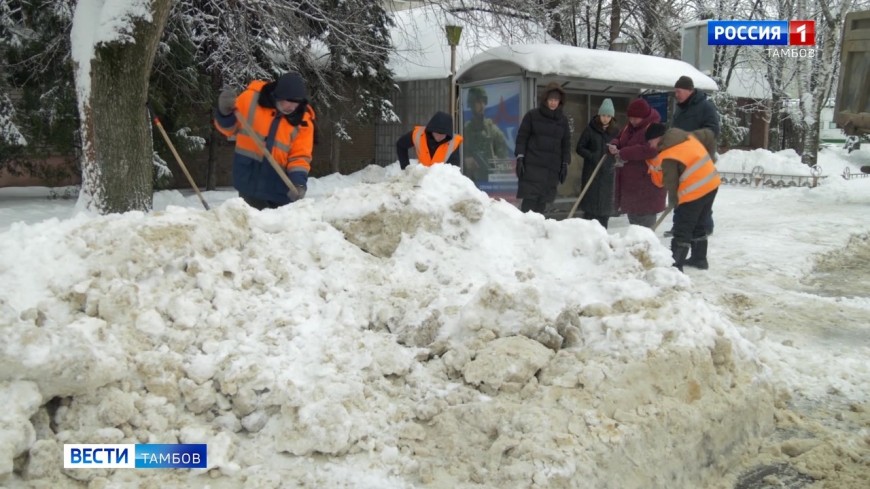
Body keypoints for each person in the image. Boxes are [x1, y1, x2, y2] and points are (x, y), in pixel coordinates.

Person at [214, 72, 316, 210]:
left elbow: (300, 157)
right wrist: (224, 113)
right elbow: (229, 129)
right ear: (278, 95)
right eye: (289, 101)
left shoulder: (303, 122)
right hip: (248, 182)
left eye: (296, 103)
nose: (292, 107)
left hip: (280, 190)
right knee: (251, 227)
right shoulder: (251, 100)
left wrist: (298, 183)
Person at [645, 122, 720, 271]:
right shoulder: (685, 136)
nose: (650, 145)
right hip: (711, 183)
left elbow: (670, 182)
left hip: (694, 190)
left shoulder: (668, 154)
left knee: (682, 228)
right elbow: (709, 134)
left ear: (658, 138)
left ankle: (675, 266)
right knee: (699, 223)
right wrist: (710, 160)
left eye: (650, 141)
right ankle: (699, 259)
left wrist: (674, 201)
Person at [665, 75, 721, 237]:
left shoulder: (705, 107)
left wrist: (690, 139)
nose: (676, 94)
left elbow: (713, 131)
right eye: (675, 91)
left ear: (690, 90)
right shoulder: (680, 109)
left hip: (698, 159)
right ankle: (678, 225)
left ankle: (705, 226)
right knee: (680, 191)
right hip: (681, 158)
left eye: (679, 91)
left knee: (700, 193)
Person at [514, 82, 571, 214]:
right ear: (545, 100)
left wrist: (564, 163)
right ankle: (524, 233)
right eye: (551, 99)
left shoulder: (563, 120)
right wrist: (520, 157)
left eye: (556, 100)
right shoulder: (532, 116)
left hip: (551, 170)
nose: (553, 103)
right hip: (532, 167)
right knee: (529, 207)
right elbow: (522, 137)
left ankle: (537, 234)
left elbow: (566, 143)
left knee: (541, 207)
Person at [608, 98, 665, 228]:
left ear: (644, 116)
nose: (632, 121)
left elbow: (650, 149)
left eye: (635, 118)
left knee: (644, 228)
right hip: (632, 187)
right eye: (630, 118)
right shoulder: (630, 126)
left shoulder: (654, 128)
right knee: (634, 224)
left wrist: (623, 152)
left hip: (647, 186)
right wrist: (614, 144)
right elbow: (619, 138)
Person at [575, 98, 619, 228]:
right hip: (591, 172)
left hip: (607, 174)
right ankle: (589, 231)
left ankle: (603, 233)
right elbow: (580, 148)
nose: (605, 118)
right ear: (599, 115)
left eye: (608, 116)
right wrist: (592, 156)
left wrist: (615, 155)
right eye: (603, 115)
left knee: (604, 208)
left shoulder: (615, 132)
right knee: (591, 206)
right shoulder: (590, 130)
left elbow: (619, 148)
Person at [463, 87, 511, 182]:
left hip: (490, 183)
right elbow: (455, 161)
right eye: (478, 102)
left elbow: (505, 163)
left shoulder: (493, 130)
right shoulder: (465, 130)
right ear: (471, 104)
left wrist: (495, 168)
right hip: (470, 183)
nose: (482, 106)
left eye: (483, 102)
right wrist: (465, 161)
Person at [396, 111, 463, 170]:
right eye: (437, 133)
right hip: (421, 177)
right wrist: (405, 167)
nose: (439, 136)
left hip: (439, 181)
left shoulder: (453, 143)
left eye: (443, 134)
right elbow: (401, 145)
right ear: (431, 130)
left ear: (448, 134)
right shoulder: (419, 134)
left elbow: (453, 170)